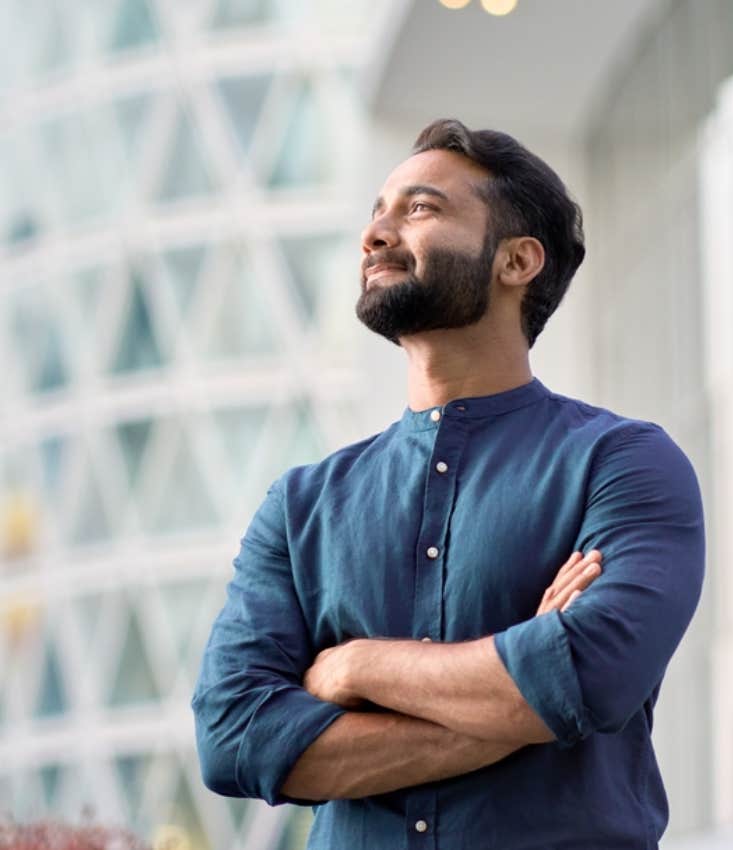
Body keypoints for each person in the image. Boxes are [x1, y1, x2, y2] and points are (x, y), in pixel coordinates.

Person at [192, 119, 705, 849]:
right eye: (378, 211)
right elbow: (234, 736)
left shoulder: (623, 464)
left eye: (421, 209)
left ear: (518, 261)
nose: (376, 234)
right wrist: (513, 701)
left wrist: (354, 665)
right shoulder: (301, 506)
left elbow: (590, 674)